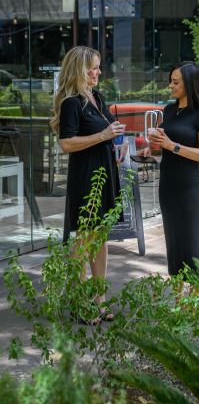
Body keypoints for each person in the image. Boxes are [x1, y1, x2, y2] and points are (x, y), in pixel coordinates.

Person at [50, 46, 125, 320]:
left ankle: (100, 298)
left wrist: (120, 142)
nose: (98, 72)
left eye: (98, 67)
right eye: (93, 67)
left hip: (104, 174)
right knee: (83, 240)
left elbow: (112, 129)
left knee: (100, 238)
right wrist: (104, 135)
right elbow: (67, 143)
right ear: (80, 70)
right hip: (85, 178)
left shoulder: (97, 97)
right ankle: (81, 303)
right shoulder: (72, 102)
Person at [147, 61, 199, 276]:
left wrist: (171, 145)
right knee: (174, 245)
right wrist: (154, 147)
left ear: (190, 83)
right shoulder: (169, 110)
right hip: (168, 186)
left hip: (191, 188)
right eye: (170, 81)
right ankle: (179, 303)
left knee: (192, 246)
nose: (170, 85)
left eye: (175, 81)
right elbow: (164, 149)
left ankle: (193, 306)